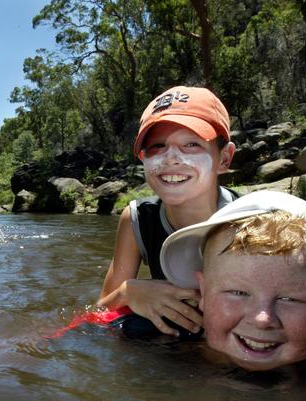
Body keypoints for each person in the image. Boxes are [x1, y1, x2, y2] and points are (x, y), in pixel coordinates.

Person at [98, 86, 237, 337]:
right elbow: (102, 312)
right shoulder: (137, 219)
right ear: (143, 157)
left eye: (192, 144)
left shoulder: (253, 221)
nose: (171, 158)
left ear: (224, 159)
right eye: (157, 146)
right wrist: (128, 292)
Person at [159, 190, 306, 371]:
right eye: (238, 293)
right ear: (203, 290)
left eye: (289, 299)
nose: (262, 320)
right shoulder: (160, 333)